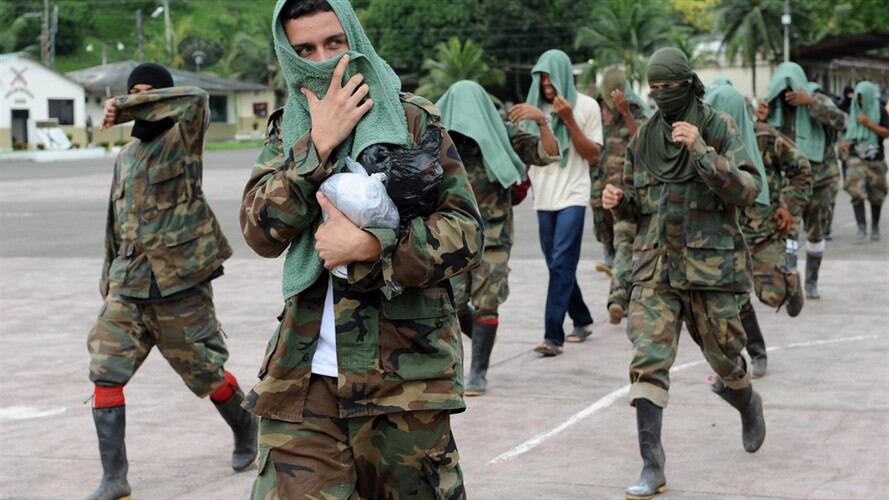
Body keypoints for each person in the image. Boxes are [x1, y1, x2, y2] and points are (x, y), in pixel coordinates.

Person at [239, 1, 483, 498]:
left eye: (334, 43)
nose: (324, 60)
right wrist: (318, 145)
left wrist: (374, 246)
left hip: (404, 378)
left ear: (354, 37)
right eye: (305, 49)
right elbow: (260, 232)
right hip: (304, 378)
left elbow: (466, 232)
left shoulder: (412, 119)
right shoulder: (288, 130)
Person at [86, 63, 256, 500]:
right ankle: (114, 478)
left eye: (149, 92)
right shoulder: (126, 156)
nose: (141, 99)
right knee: (105, 370)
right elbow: (115, 223)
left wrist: (126, 105)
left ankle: (246, 426)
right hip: (129, 283)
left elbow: (196, 98)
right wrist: (108, 279)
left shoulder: (183, 138)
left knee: (206, 372)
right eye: (134, 91)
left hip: (179, 282)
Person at [603, 48, 766, 500]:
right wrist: (620, 201)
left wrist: (702, 151)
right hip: (655, 269)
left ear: (687, 83)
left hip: (709, 269)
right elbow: (638, 207)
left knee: (725, 357)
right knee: (648, 361)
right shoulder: (644, 140)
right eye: (653, 88)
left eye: (668, 86)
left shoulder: (717, 127)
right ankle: (652, 465)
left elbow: (748, 190)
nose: (661, 94)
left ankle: (746, 400)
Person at [437, 80, 560, 396]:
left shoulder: (503, 133)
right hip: (451, 235)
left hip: (493, 234)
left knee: (487, 302)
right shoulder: (437, 138)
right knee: (453, 303)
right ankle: (483, 334)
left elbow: (548, 154)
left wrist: (543, 122)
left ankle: (478, 372)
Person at [706, 80, 813, 378]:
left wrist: (788, 206)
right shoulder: (704, 147)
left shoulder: (765, 137)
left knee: (772, 292)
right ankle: (757, 351)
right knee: (736, 296)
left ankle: (792, 282)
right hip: (728, 236)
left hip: (769, 231)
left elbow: (802, 170)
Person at [520, 49, 603, 355]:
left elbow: (593, 155)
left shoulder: (587, 106)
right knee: (558, 265)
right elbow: (524, 152)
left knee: (560, 264)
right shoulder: (533, 109)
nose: (547, 86)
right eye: (542, 80)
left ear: (564, 76)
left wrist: (568, 120)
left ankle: (552, 337)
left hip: (574, 195)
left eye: (551, 79)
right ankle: (582, 318)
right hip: (543, 197)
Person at [758, 63, 846, 299]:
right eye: (783, 89)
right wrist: (761, 121)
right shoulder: (773, 108)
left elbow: (842, 121)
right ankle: (791, 283)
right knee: (788, 234)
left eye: (791, 88)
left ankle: (811, 281)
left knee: (816, 233)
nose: (788, 94)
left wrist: (811, 102)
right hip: (791, 186)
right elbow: (761, 145)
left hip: (821, 180)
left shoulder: (816, 97)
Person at [591, 67, 650, 324]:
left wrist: (626, 113)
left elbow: (643, 145)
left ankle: (617, 298)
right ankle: (623, 285)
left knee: (623, 240)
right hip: (600, 192)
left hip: (626, 193)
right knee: (609, 244)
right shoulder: (596, 112)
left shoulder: (637, 113)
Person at [842, 80, 889, 241]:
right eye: (858, 98)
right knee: (855, 190)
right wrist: (846, 143)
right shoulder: (853, 110)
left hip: (876, 159)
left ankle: (875, 226)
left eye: (863, 97)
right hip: (856, 158)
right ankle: (861, 227)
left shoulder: (880, 110)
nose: (861, 101)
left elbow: (887, 132)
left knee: (877, 195)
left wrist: (869, 123)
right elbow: (846, 131)